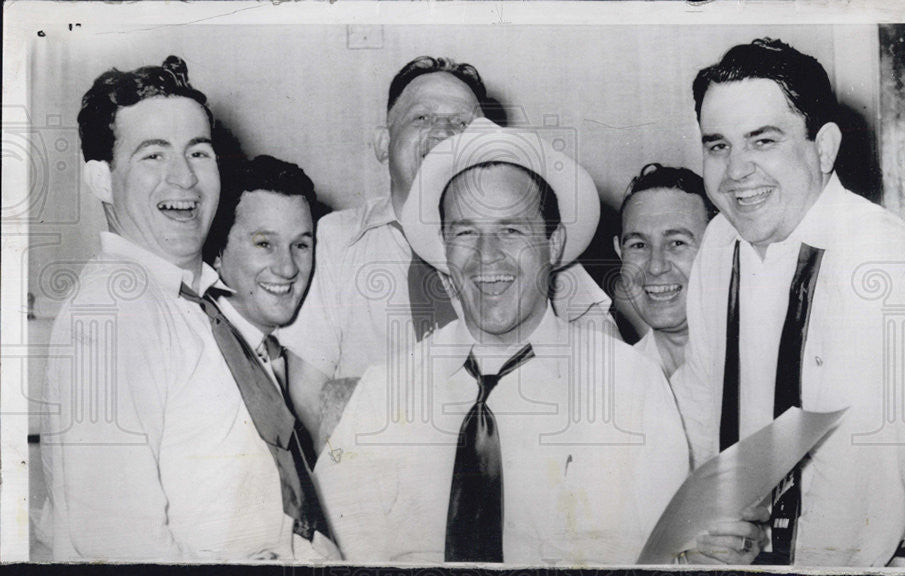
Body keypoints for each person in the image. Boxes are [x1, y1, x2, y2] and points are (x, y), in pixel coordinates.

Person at [307, 118, 698, 564]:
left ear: (553, 245)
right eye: (466, 232)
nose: (487, 256)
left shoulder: (630, 385)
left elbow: (666, 561)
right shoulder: (384, 392)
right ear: (443, 248)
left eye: (511, 231)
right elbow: (325, 550)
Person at [672, 38, 905, 566]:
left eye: (763, 141)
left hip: (894, 558)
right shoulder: (720, 242)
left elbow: (860, 497)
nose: (736, 170)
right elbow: (699, 405)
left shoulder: (874, 252)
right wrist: (701, 521)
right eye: (718, 146)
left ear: (824, 148)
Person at [40, 57, 309, 560]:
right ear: (100, 181)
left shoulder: (197, 304)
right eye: (153, 156)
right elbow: (117, 545)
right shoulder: (110, 313)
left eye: (198, 153)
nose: (184, 178)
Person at [281, 56, 616, 384]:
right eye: (422, 117)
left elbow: (608, 356)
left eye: (461, 124)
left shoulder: (532, 240)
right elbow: (309, 390)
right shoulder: (334, 239)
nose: (443, 133)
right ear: (383, 143)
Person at [203, 154, 341, 559]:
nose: (287, 267)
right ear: (216, 250)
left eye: (301, 245)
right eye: (264, 243)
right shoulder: (208, 355)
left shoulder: (275, 353)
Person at [614, 164, 714, 378]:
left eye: (677, 243)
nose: (656, 266)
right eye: (638, 245)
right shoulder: (613, 383)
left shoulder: (772, 367)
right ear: (619, 252)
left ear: (720, 246)